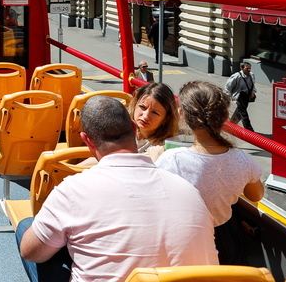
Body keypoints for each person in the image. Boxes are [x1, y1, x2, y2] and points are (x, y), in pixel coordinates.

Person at [16, 95, 217, 282]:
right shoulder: (189, 190)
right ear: (134, 128)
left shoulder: (72, 190)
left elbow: (31, 252)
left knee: (28, 227)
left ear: (87, 140)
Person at [156, 80, 264, 265]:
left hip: (186, 239)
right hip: (226, 237)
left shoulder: (170, 160)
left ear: (181, 114)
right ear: (226, 116)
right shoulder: (243, 162)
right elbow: (256, 195)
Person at [130, 81, 178, 161]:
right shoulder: (120, 131)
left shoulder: (170, 147)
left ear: (166, 118)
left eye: (155, 113)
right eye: (142, 107)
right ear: (135, 104)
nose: (146, 116)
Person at [225, 62, 256, 131]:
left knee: (239, 111)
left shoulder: (251, 75)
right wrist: (228, 96)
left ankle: (231, 124)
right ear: (241, 68)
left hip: (247, 95)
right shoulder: (236, 76)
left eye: (250, 68)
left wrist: (253, 92)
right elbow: (228, 87)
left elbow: (252, 85)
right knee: (244, 113)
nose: (249, 70)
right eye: (247, 68)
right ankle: (249, 130)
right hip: (240, 95)